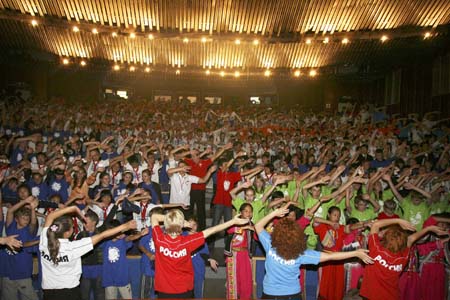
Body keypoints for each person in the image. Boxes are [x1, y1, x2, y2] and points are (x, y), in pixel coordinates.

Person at [254, 203, 374, 300]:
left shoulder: (270, 244)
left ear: (278, 232)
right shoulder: (301, 253)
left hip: (271, 293)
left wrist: (274, 213)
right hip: (292, 294)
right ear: (297, 235)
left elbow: (258, 226)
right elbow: (331, 256)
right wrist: (355, 253)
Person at [39, 206, 137, 300]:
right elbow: (102, 235)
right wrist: (125, 226)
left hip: (48, 292)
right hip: (69, 292)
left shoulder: (45, 240)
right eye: (73, 227)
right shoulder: (73, 247)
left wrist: (71, 209)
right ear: (67, 233)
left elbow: (50, 217)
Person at [151, 208, 250, 298]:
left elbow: (154, 217)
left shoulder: (159, 239)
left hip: (164, 290)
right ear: (180, 226)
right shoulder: (187, 241)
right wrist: (233, 221)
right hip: (184, 290)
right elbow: (212, 230)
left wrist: (175, 221)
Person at [359, 218, 448, 300]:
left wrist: (398, 221)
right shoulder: (403, 257)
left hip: (370, 295)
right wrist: (428, 229)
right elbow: (411, 239)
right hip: (391, 297)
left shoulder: (376, 250)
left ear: (385, 239)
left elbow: (376, 225)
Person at [225, 203, 254, 299]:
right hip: (233, 255)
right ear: (240, 213)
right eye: (246, 211)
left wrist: (250, 228)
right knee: (233, 279)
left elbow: (258, 235)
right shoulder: (235, 223)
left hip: (245, 255)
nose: (248, 213)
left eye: (250, 211)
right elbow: (229, 230)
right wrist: (242, 226)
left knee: (246, 280)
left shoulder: (252, 225)